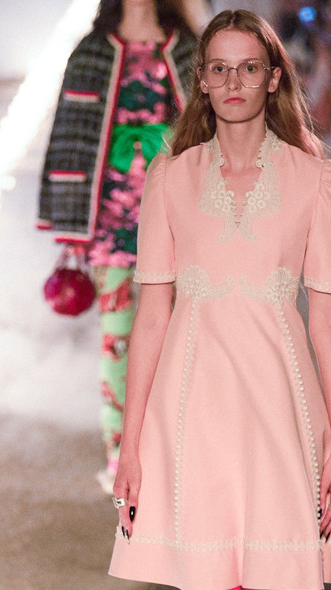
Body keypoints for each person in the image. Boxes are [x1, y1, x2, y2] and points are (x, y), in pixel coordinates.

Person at [108, 9, 331, 590]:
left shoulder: (315, 178)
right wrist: (132, 440)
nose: (235, 82)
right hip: (192, 406)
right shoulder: (171, 178)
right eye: (220, 68)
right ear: (201, 79)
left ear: (274, 77)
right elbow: (152, 312)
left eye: (251, 67)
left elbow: (327, 317)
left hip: (281, 410)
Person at [38, 0, 199, 492]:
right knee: (119, 340)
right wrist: (71, 220)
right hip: (111, 216)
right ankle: (120, 455)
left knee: (180, 336)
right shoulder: (92, 50)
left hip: (175, 215)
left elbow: (216, 129)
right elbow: (72, 135)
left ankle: (177, 451)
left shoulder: (188, 48)